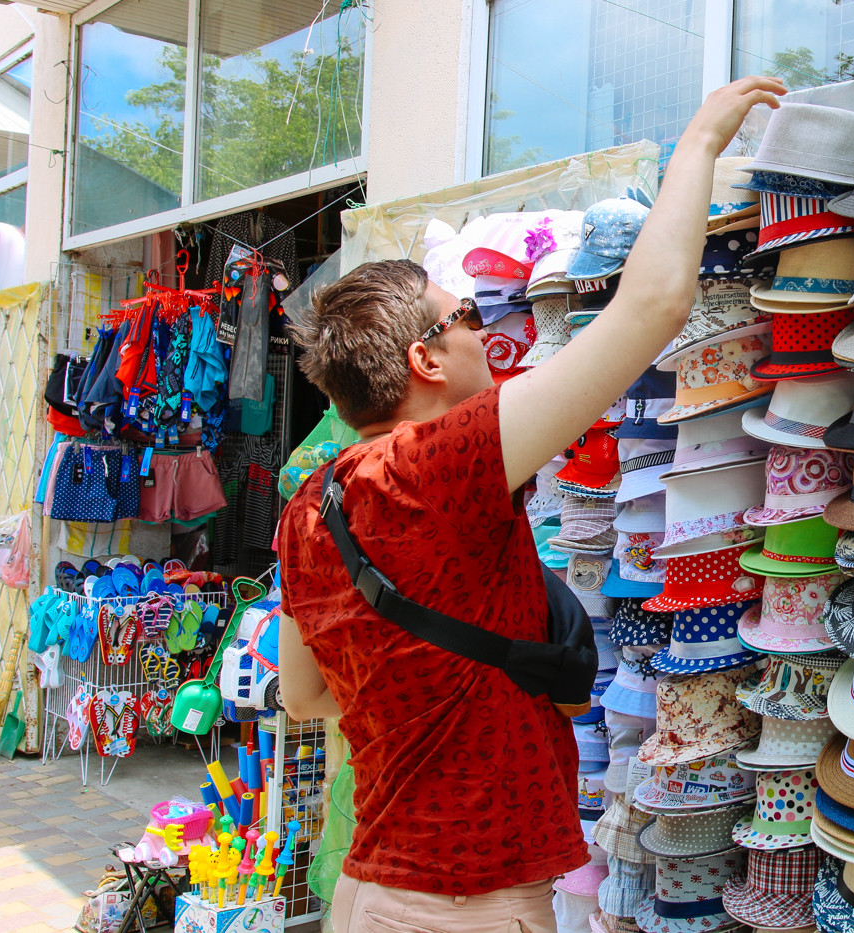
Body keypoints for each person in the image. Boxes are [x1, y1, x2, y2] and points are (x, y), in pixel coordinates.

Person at [276, 75, 786, 933]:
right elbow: (654, 306)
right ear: (426, 359)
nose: (486, 332)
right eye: (468, 316)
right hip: (463, 907)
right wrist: (700, 140)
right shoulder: (438, 466)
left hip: (370, 892)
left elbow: (303, 695)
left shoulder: (307, 506)